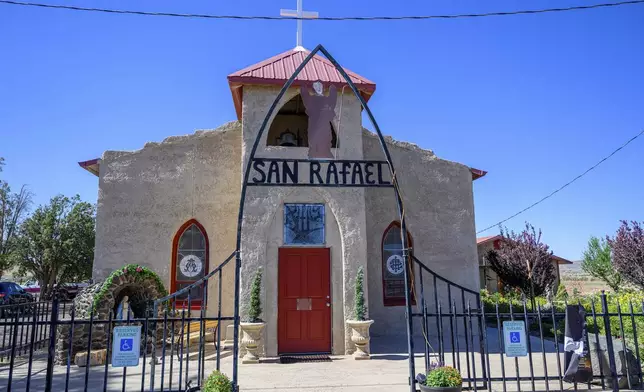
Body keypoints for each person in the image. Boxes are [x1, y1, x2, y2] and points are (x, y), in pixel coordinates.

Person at [300, 81, 337, 159]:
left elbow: (332, 102)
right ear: (313, 89)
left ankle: (326, 152)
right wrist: (303, 89)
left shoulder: (326, 100)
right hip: (314, 123)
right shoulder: (311, 99)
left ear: (323, 88)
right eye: (316, 86)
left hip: (324, 124)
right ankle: (314, 153)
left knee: (326, 137)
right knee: (314, 138)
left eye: (320, 86)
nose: (318, 88)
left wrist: (333, 90)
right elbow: (305, 98)